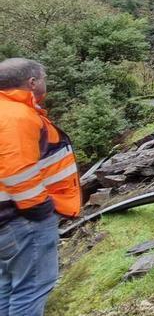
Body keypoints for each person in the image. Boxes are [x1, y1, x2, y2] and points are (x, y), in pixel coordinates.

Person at [0, 58, 81, 315]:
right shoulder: (16, 116)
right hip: (22, 220)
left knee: (8, 286)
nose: (46, 83)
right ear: (32, 82)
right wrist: (40, 209)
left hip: (8, 222)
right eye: (44, 78)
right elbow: (16, 171)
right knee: (31, 288)